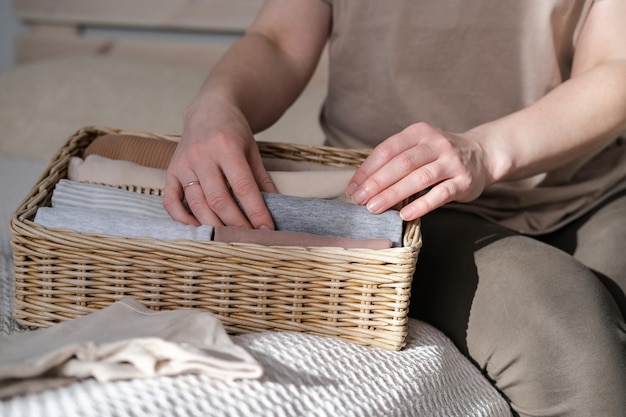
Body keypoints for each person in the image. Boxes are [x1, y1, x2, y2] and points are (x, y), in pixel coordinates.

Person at [163, 0, 626, 415]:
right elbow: (278, 40)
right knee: (573, 348)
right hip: (405, 203)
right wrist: (215, 105)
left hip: (593, 193)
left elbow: (613, 63)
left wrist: (484, 150)